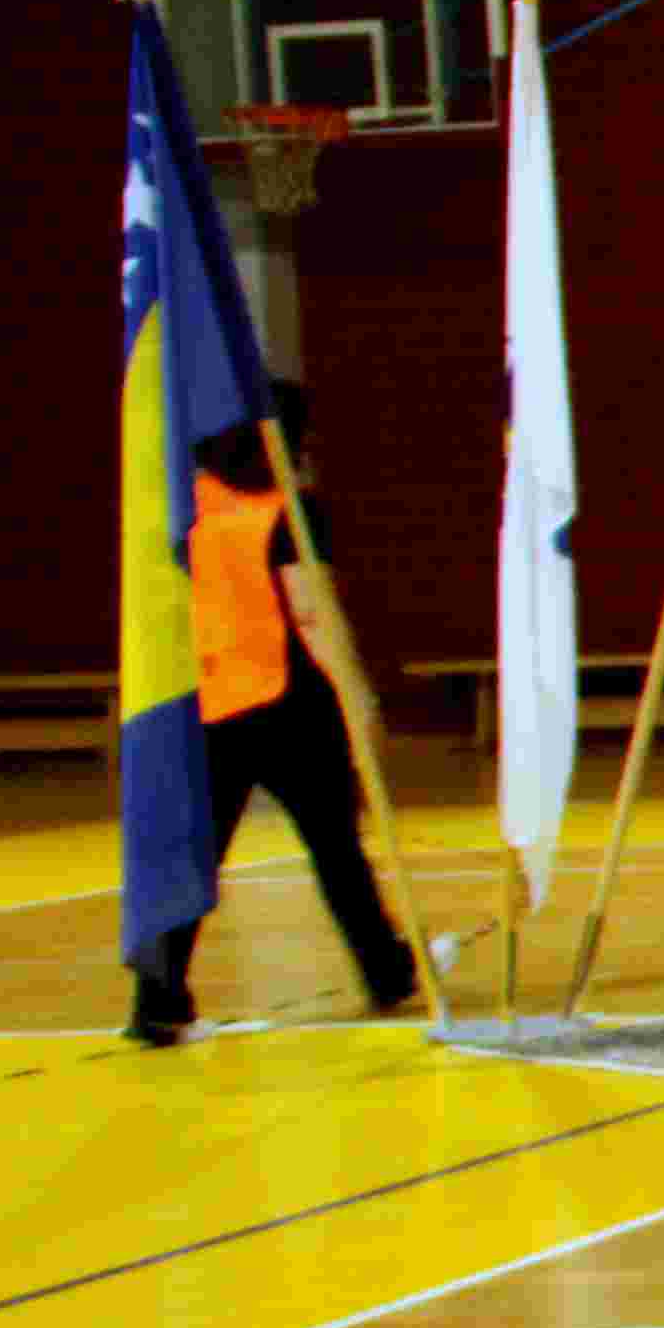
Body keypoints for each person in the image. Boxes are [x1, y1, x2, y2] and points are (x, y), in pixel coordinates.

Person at [124, 401, 420, 1044]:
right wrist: (359, 697)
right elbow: (311, 611)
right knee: (336, 847)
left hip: (207, 703)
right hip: (290, 702)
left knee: (197, 858)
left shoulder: (185, 509)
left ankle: (157, 997)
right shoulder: (290, 508)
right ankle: (385, 970)